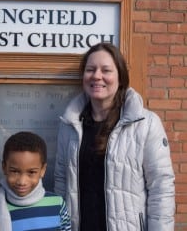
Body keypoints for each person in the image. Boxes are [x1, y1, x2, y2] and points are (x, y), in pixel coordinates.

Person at [54, 42, 175, 231]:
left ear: (120, 77)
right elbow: (61, 181)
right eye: (90, 69)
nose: (97, 76)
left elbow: (161, 187)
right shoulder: (69, 124)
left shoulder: (145, 123)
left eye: (106, 70)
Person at [0, 131, 71, 231]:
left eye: (31, 172)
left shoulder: (57, 204)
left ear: (43, 170)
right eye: (15, 171)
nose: (22, 181)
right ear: (4, 167)